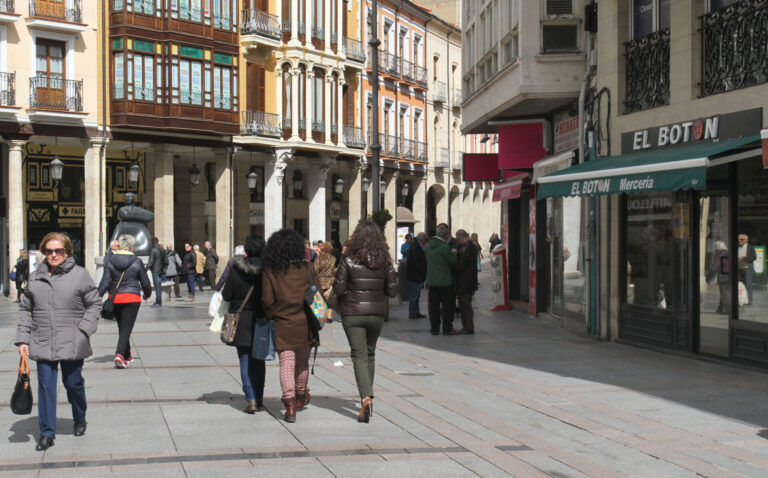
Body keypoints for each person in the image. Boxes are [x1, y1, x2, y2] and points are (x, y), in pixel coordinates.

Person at [15, 232, 100, 451]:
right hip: (42, 339)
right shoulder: (34, 278)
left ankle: (79, 416)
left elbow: (94, 304)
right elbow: (26, 309)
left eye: (58, 251)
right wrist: (23, 339)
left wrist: (85, 330)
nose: (54, 255)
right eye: (50, 251)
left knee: (73, 384)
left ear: (67, 252)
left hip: (72, 340)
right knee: (45, 387)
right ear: (44, 252)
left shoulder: (80, 275)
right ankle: (47, 433)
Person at [334, 221, 398, 423]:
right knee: (370, 353)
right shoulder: (384, 260)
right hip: (376, 313)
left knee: (359, 354)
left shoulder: (348, 259)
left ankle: (366, 397)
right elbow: (393, 291)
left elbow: (338, 289)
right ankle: (368, 394)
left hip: (353, 312)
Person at [262, 229, 318, 423]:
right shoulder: (307, 268)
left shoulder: (270, 271)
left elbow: (267, 301)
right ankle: (301, 396)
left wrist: (274, 314)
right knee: (302, 362)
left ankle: (290, 405)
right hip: (305, 323)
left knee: (286, 363)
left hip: (282, 324)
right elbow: (317, 293)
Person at [222, 234, 267, 414]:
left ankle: (250, 399)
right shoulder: (268, 270)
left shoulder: (235, 269)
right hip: (262, 320)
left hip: (241, 320)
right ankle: (260, 398)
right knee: (259, 361)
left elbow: (226, 295)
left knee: (245, 359)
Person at [98, 234, 152, 369]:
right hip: (132, 298)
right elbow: (145, 282)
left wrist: (95, 297)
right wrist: (147, 294)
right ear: (132, 247)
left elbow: (105, 282)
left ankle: (127, 354)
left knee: (122, 326)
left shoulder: (110, 260)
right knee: (126, 328)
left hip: (115, 298)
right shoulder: (136, 261)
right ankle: (120, 354)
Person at [425, 226, 458, 336]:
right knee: (447, 306)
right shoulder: (445, 247)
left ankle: (434, 328)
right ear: (445, 236)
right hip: (444, 281)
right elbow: (453, 262)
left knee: (433, 306)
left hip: (431, 281)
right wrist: (454, 252)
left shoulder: (429, 246)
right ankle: (447, 328)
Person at [454, 230, 478, 334]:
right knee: (464, 304)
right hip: (465, 280)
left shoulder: (468, 248)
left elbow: (461, 265)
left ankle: (468, 327)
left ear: (461, 238)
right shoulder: (465, 247)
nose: (457, 241)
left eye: (458, 239)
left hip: (466, 280)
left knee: (465, 304)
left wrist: (456, 255)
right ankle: (466, 326)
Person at [313, 242, 337, 322]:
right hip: (330, 280)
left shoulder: (318, 258)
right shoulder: (333, 258)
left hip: (320, 280)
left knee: (320, 299)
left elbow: (315, 270)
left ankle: (321, 316)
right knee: (330, 299)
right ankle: (329, 317)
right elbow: (333, 270)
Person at [406, 233, 428, 319]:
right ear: (421, 239)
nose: (425, 241)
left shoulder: (416, 246)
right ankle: (412, 312)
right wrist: (423, 272)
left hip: (415, 274)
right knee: (414, 295)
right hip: (414, 275)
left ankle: (416, 311)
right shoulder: (416, 247)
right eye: (425, 239)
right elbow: (417, 263)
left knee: (416, 294)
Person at [711, 241, 730, 315]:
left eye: (716, 248)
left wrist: (709, 276)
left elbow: (714, 267)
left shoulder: (720, 255)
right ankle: (720, 308)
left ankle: (727, 309)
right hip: (730, 275)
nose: (715, 249)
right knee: (724, 292)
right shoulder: (728, 253)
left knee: (723, 293)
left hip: (723, 276)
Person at [737, 234, 756, 305]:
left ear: (746, 240)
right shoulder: (736, 247)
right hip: (739, 268)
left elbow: (753, 257)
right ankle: (741, 298)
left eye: (741, 239)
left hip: (747, 268)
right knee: (740, 284)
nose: (739, 241)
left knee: (748, 284)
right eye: (738, 239)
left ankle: (749, 299)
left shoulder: (750, 247)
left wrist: (743, 258)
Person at [146, 237, 165, 308]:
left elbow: (151, 261)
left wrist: (146, 269)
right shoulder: (162, 249)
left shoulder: (153, 250)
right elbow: (166, 261)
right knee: (159, 286)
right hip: (160, 271)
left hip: (155, 271)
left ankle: (158, 302)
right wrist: (164, 269)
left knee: (157, 287)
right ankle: (159, 301)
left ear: (152, 242)